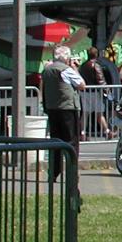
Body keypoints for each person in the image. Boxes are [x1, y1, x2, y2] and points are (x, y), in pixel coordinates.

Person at [41, 44, 84, 182]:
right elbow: (81, 85)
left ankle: (53, 172)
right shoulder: (66, 70)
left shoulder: (47, 70)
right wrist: (75, 68)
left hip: (52, 108)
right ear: (66, 58)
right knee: (71, 142)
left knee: (55, 142)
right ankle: (72, 173)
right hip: (67, 109)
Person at [80, 45, 111, 139]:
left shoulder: (83, 65)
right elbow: (100, 79)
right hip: (94, 92)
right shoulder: (96, 65)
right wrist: (107, 92)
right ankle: (107, 131)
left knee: (85, 114)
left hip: (84, 91)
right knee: (99, 113)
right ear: (96, 54)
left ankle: (82, 133)